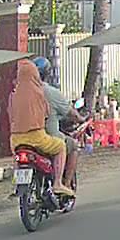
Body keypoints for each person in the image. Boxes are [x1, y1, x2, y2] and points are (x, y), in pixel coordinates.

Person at [8, 59, 70, 195]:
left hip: (15, 140)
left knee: (17, 157)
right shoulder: (38, 92)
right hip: (36, 136)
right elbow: (46, 114)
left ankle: (17, 186)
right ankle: (58, 183)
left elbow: (10, 115)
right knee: (61, 146)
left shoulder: (13, 94)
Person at [33, 56, 85, 192]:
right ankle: (64, 184)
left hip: (21, 140)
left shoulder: (22, 92)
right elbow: (72, 114)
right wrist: (81, 119)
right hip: (46, 139)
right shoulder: (51, 93)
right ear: (47, 74)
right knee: (72, 145)